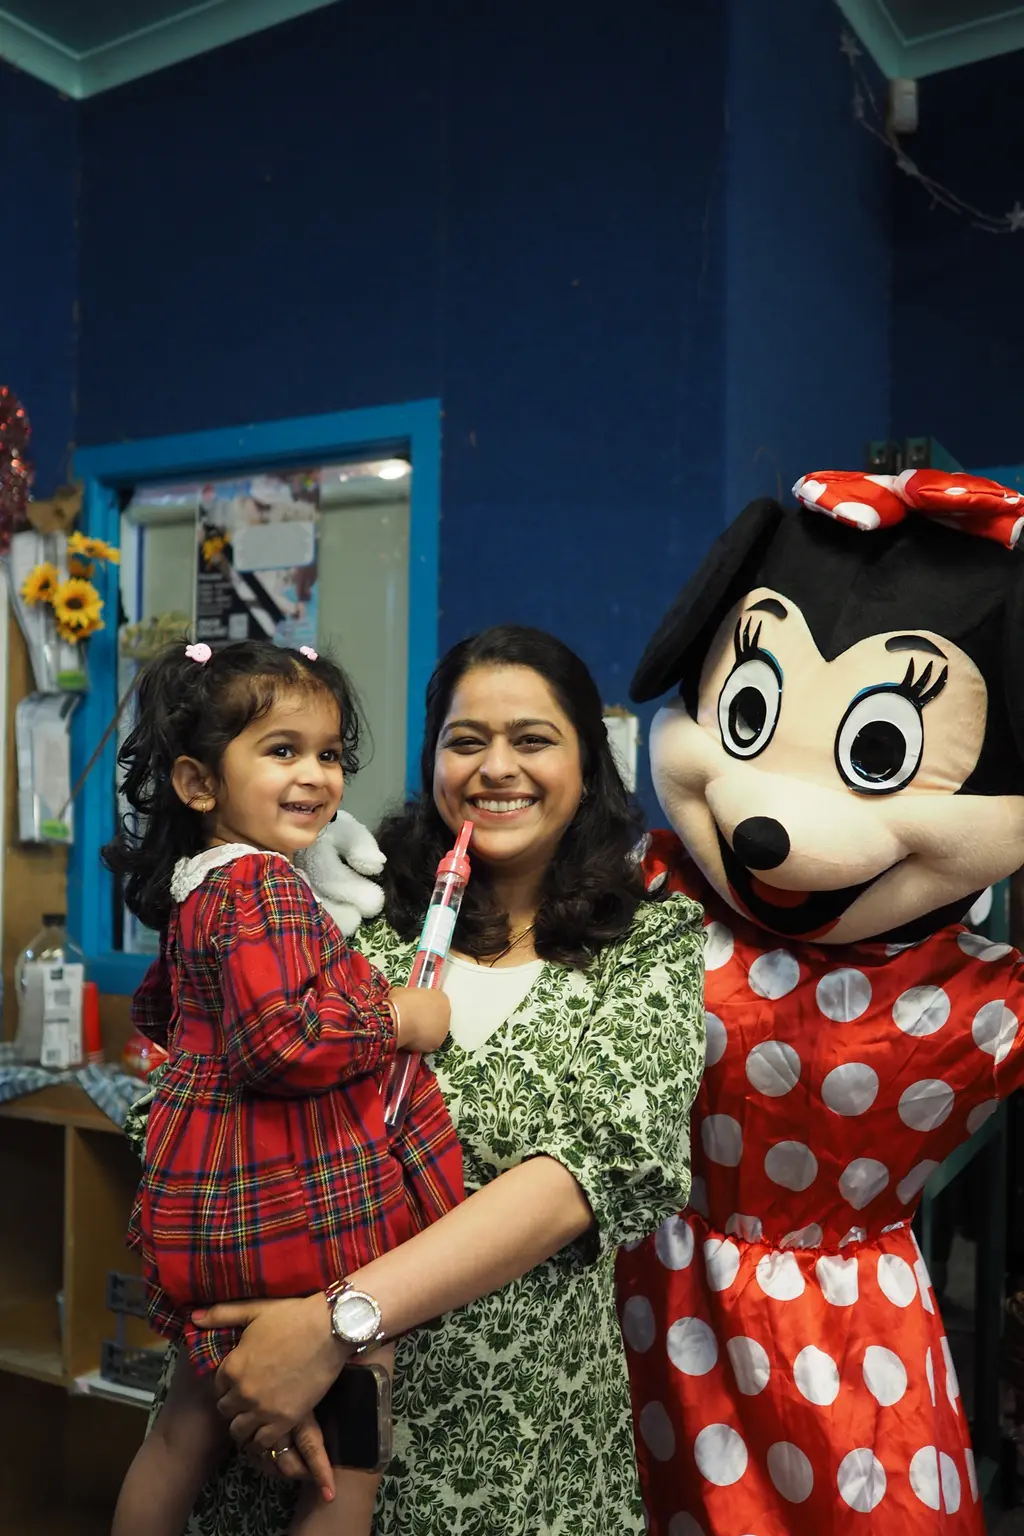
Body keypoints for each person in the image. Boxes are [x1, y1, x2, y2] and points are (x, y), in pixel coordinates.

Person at [125, 623, 706, 1535]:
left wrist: (333, 1322)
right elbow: (204, 1077)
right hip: (274, 1414)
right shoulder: (345, 911)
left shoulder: (649, 947)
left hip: (510, 1449)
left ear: (589, 765)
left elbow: (583, 1177)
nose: (495, 767)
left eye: (533, 739)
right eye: (465, 741)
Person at [106, 638, 463, 1536]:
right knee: (349, 1455)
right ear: (197, 783)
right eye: (282, 751)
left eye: (331, 754)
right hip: (284, 1200)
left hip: (212, 1203)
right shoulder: (264, 884)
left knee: (184, 1429)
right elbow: (279, 1045)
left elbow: (166, 1014)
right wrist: (399, 1019)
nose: (317, 775)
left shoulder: (203, 888)